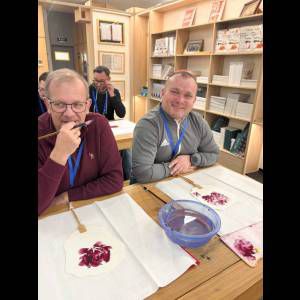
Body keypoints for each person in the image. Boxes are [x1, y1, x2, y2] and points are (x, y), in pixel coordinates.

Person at [38, 68, 123, 215]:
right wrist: (59, 154)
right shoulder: (39, 131)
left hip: (91, 212)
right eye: (59, 104)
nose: (69, 114)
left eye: (77, 104)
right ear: (48, 105)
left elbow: (115, 180)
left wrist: (67, 196)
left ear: (87, 105)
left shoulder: (99, 125)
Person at [132, 70, 219, 184]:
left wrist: (191, 160)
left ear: (194, 101)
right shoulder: (148, 125)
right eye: (174, 92)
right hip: (149, 188)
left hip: (185, 183)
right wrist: (176, 167)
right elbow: (143, 173)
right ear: (163, 93)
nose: (180, 100)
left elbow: (214, 154)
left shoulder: (198, 121)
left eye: (188, 95)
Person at [89, 65, 131, 180]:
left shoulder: (114, 92)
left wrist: (112, 95)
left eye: (101, 81)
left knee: (126, 150)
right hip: (92, 127)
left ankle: (126, 179)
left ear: (108, 79)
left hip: (109, 127)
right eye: (95, 81)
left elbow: (121, 114)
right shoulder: (89, 90)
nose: (97, 84)